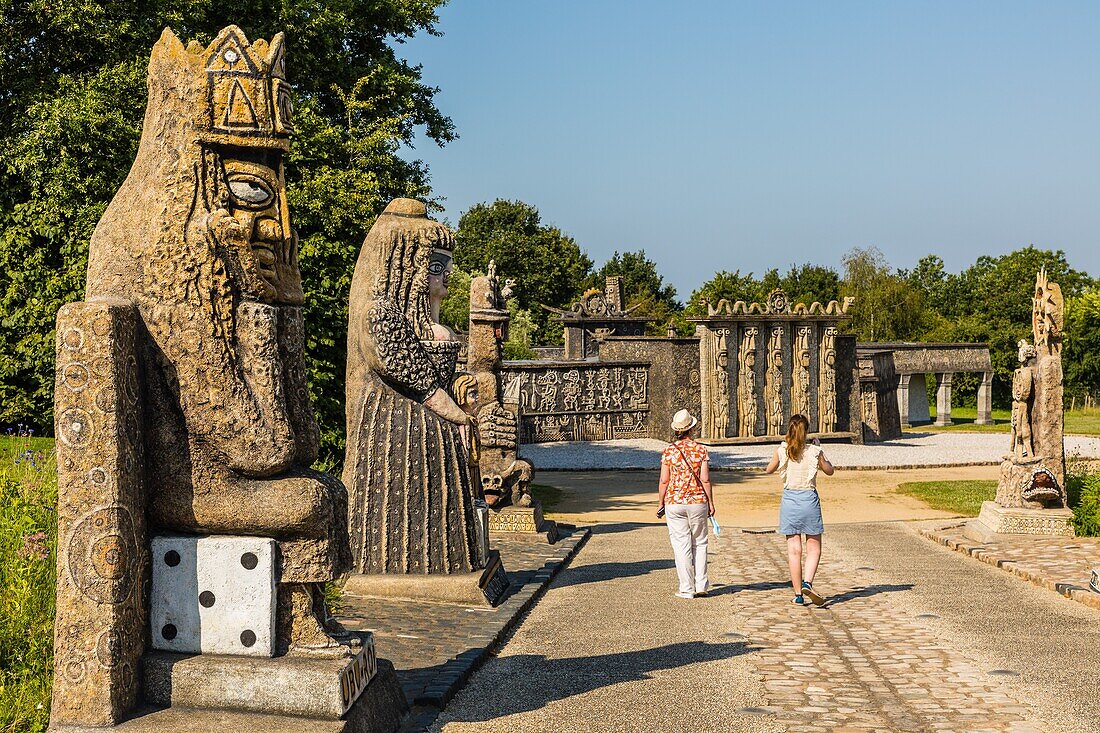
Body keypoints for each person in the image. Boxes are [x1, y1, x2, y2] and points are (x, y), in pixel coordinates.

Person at [765, 414, 834, 606]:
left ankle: (798, 594)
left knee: (794, 550)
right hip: (809, 500)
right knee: (814, 548)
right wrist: (821, 450)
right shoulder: (814, 451)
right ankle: (808, 582)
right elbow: (829, 470)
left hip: (790, 501)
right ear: (807, 431)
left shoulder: (783, 450)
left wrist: (776, 457)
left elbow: (769, 469)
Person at [658, 409, 714, 599]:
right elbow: (705, 479)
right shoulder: (701, 449)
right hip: (697, 500)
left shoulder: (669, 451)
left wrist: (660, 502)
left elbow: (664, 480)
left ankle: (686, 588)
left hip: (674, 501)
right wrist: (711, 502)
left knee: (681, 545)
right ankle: (701, 585)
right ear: (692, 428)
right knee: (700, 542)